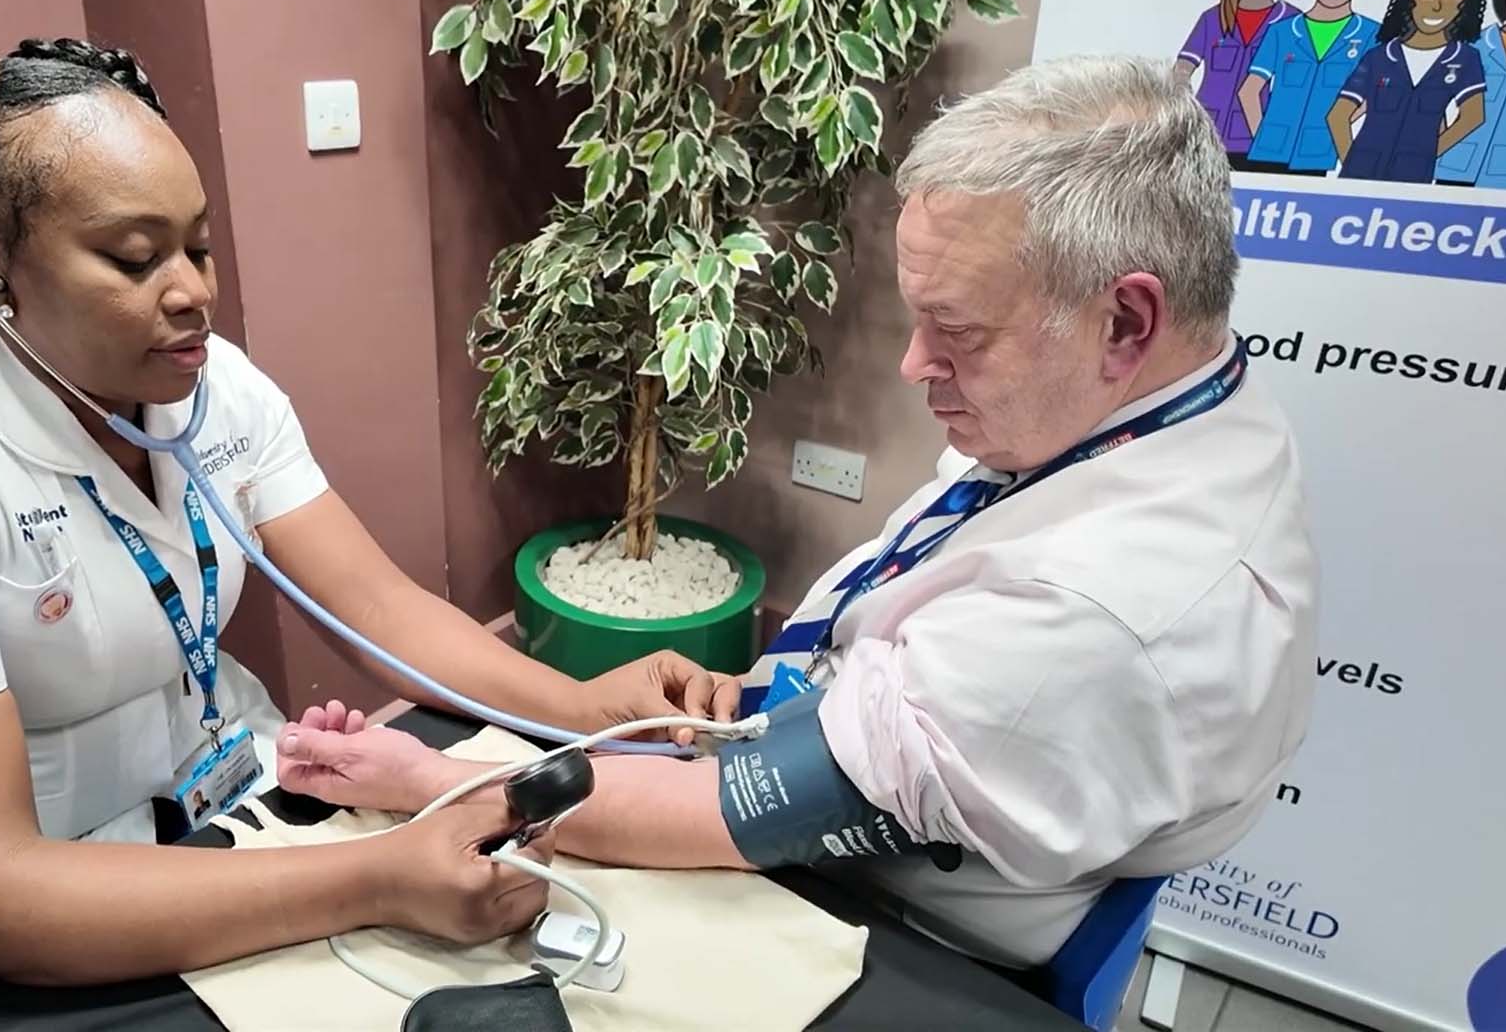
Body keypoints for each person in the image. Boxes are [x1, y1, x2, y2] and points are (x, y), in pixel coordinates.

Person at [0, 38, 739, 1026]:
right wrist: (377, 879)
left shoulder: (208, 386)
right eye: (134, 259)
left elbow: (382, 610)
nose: (191, 292)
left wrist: (583, 710)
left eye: (198, 245)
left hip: (206, 816)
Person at [276, 56, 1320, 971]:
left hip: (898, 933)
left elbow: (732, 818)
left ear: (1125, 318)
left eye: (957, 331)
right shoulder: (1181, 412)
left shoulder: (1088, 615)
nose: (916, 366)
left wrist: (432, 781)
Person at [1329, 0, 1490, 182]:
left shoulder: (1465, 58)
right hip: (1361, 171)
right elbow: (1338, 115)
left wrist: (1427, 155)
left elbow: (1473, 116)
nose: (1437, 5)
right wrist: (1352, 162)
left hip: (1413, 177)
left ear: (1467, 3)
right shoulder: (1379, 57)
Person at [1236, 0, 1384, 175]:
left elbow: (1376, 95)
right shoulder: (1282, 31)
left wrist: (1333, 127)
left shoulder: (1371, 35)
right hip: (1267, 151)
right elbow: (1249, 91)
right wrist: (1264, 135)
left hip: (1316, 153)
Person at [1176, 0, 1304, 165]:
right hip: (1204, 136)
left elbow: (1294, 84)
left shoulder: (1293, 22)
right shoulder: (1212, 18)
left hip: (1253, 139)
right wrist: (1184, 114)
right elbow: (1182, 70)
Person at [1433, 0, 1506, 186]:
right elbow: (1432, 97)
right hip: (1456, 165)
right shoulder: (1474, 45)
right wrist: (1438, 144)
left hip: (1504, 174)